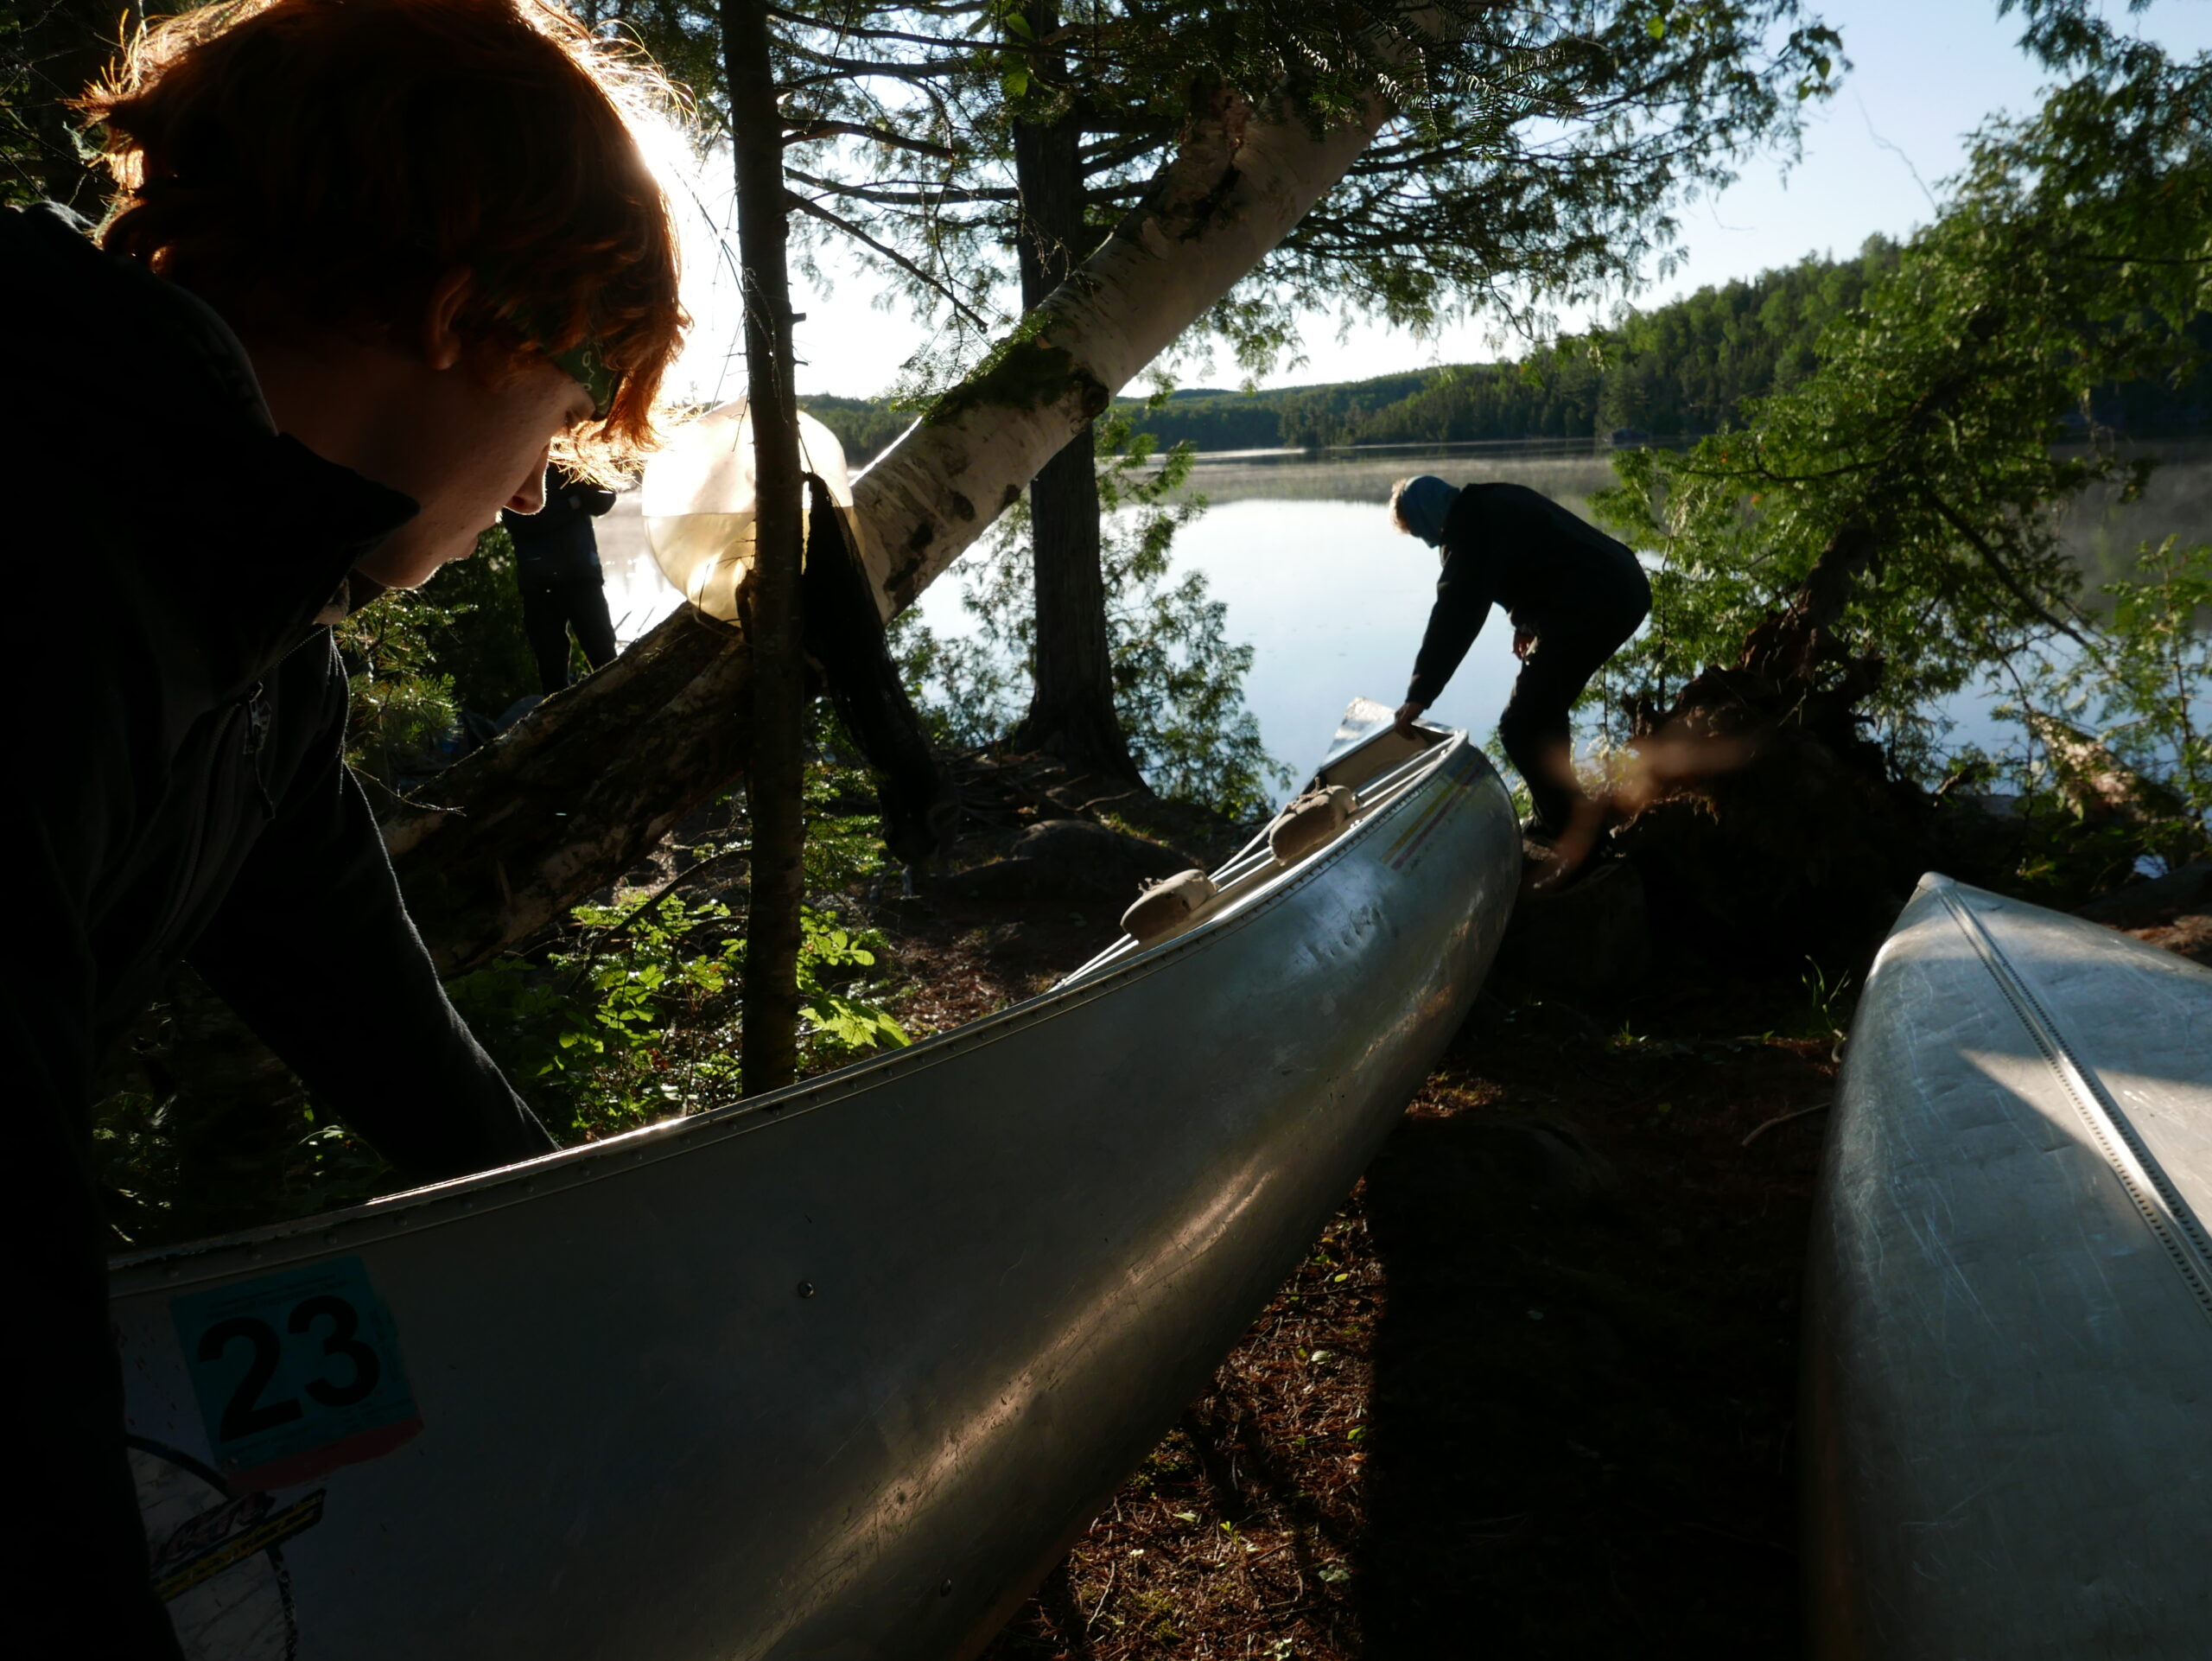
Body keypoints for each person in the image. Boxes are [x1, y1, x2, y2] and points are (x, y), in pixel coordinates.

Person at [3, 3, 684, 1652]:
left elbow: (378, 1023)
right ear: (464, 316)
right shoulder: (43, 569)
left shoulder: (238, 605)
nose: (536, 492)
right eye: (579, 398)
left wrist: (638, 1271)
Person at [1389, 474, 1651, 856]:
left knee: (1521, 726)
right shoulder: (1493, 500)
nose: (1429, 542)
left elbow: (1456, 611)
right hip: (1621, 585)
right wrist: (1528, 619)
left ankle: (1576, 839)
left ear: (1426, 516)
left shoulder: (1468, 530)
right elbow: (1543, 554)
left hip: (1594, 603)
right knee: (1544, 711)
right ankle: (1562, 819)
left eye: (1419, 531)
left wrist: (1419, 694)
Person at [505, 461, 622, 691]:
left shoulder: (570, 454)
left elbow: (602, 501)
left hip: (581, 576)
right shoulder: (518, 460)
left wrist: (575, 495)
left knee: (606, 662)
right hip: (538, 584)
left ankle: (622, 716)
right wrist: (573, 503)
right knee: (552, 676)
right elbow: (516, 521)